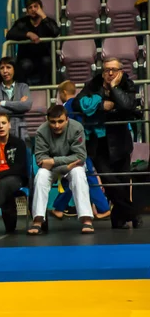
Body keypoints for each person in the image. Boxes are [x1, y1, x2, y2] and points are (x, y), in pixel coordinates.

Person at [71, 58, 141, 229]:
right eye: (107, 70)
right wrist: (101, 105)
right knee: (110, 181)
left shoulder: (127, 85)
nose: (110, 73)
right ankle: (133, 214)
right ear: (102, 72)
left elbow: (126, 105)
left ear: (121, 72)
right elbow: (76, 103)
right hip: (97, 144)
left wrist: (115, 88)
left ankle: (118, 220)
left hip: (120, 142)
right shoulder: (94, 84)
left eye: (114, 70)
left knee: (122, 183)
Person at [28, 105, 95, 235]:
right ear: (47, 120)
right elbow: (41, 160)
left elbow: (80, 157)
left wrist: (53, 161)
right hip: (60, 166)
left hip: (71, 166)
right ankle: (37, 220)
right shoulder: (41, 131)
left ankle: (87, 220)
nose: (57, 125)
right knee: (41, 176)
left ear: (67, 119)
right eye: (52, 122)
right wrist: (65, 166)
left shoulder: (76, 128)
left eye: (60, 121)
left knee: (78, 173)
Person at [51, 81, 111, 220]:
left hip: (75, 148)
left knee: (88, 176)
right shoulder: (77, 104)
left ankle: (104, 208)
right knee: (71, 178)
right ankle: (59, 208)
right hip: (81, 146)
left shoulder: (69, 105)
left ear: (63, 93)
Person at [6, 0, 60, 85]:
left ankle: (48, 92)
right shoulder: (22, 22)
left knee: (47, 62)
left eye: (36, 7)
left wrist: (44, 16)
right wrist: (27, 34)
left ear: (41, 9)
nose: (33, 9)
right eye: (30, 7)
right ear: (27, 11)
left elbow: (56, 32)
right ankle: (23, 93)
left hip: (45, 56)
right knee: (24, 65)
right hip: (26, 58)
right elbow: (10, 35)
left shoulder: (48, 21)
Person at [0, 57, 32, 140]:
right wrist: (18, 107)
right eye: (2, 68)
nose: (5, 71)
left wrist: (4, 103)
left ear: (14, 69)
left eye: (8, 67)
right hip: (0, 133)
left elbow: (27, 105)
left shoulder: (23, 87)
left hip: (20, 132)